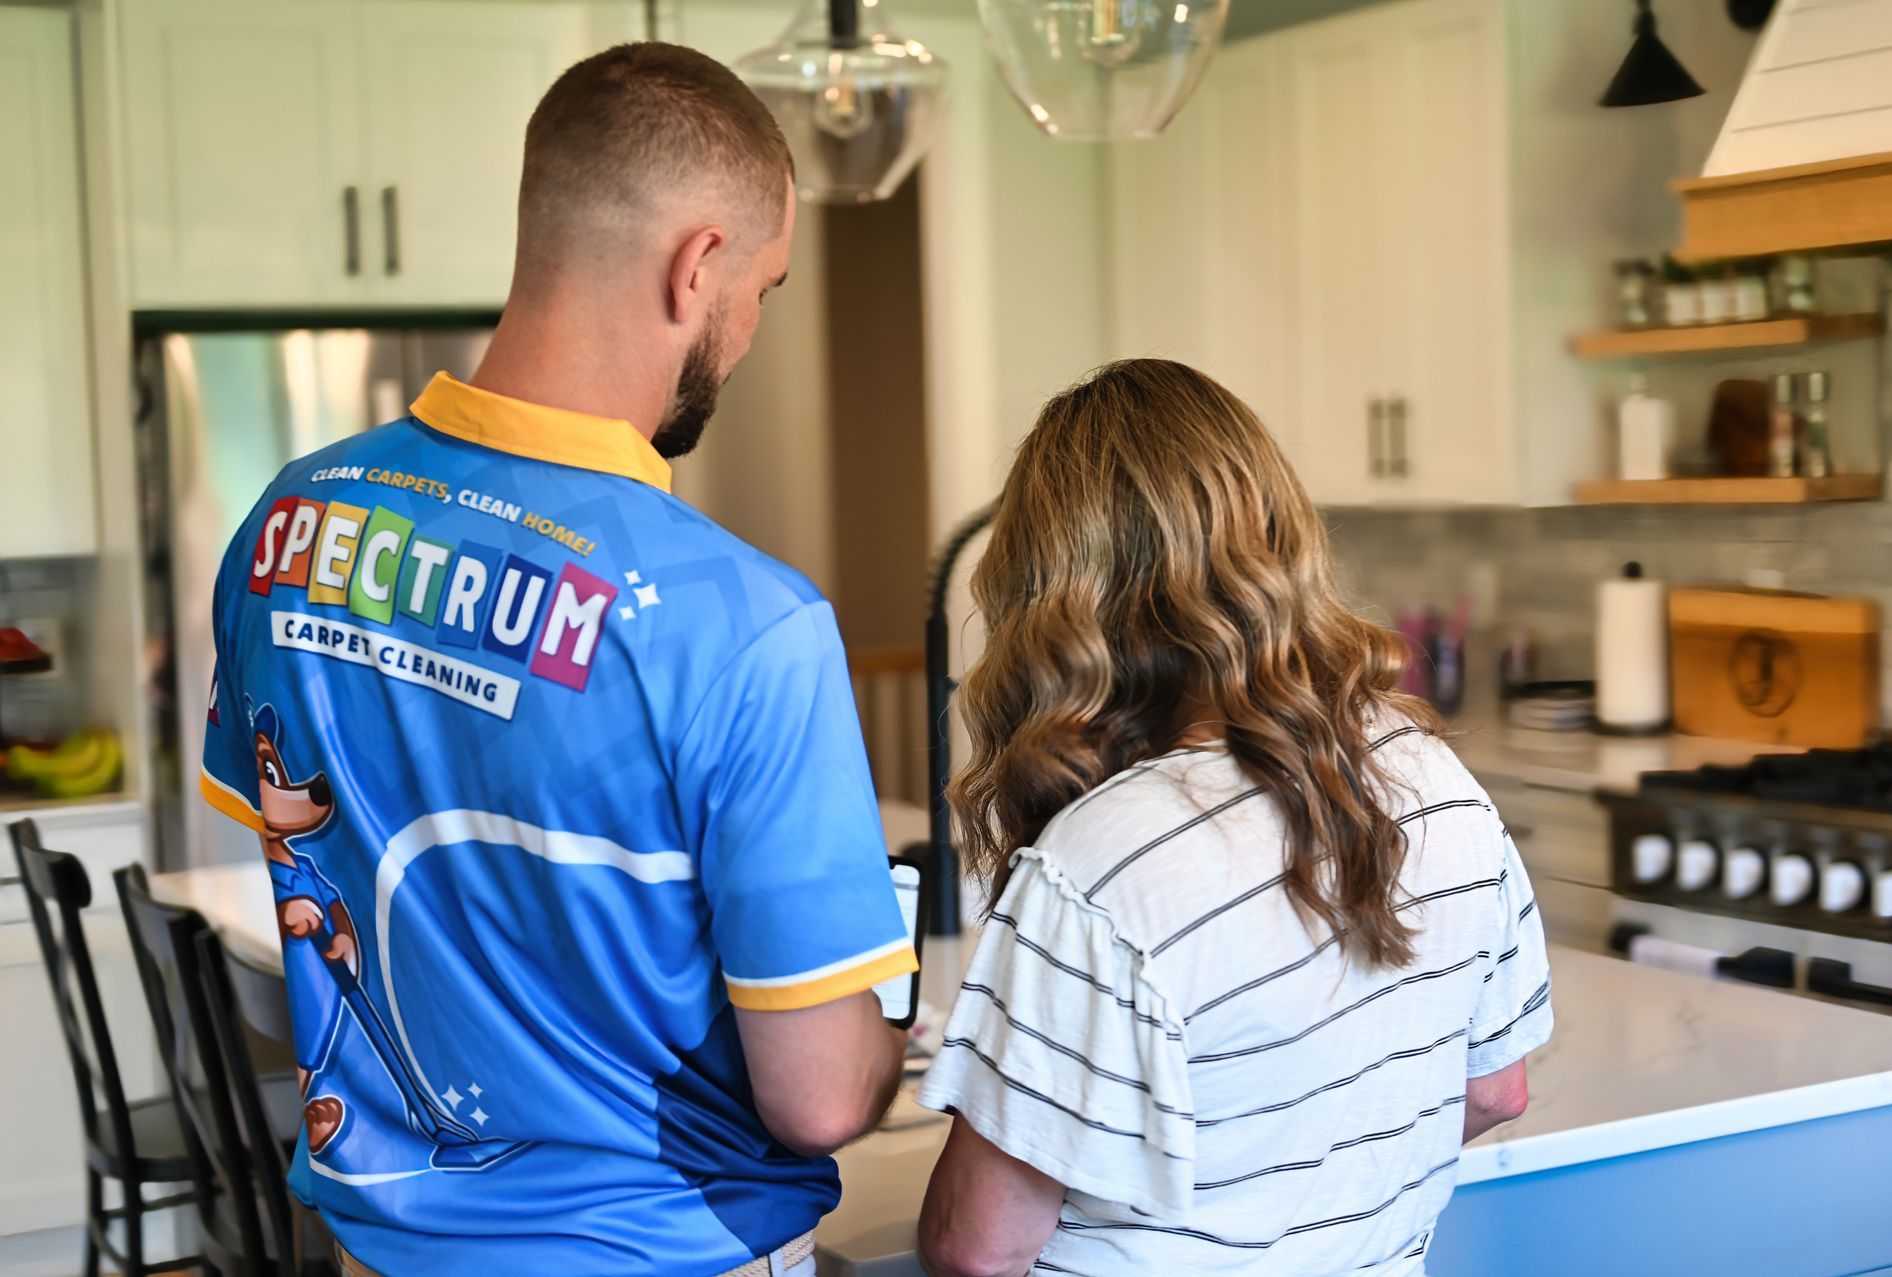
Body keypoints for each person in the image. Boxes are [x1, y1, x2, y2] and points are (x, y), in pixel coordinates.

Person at [198, 43, 913, 1277]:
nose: (747, 333)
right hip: (665, 1250)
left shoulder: (286, 526)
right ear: (698, 266)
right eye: (764, 289)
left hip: (380, 1249)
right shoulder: (748, 623)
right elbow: (816, 1097)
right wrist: (889, 1030)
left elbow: (307, 837)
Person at [914, 359, 1553, 1276]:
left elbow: (977, 1246)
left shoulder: (1102, 864)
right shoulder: (1439, 780)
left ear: (1054, 597)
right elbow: (1495, 1088)